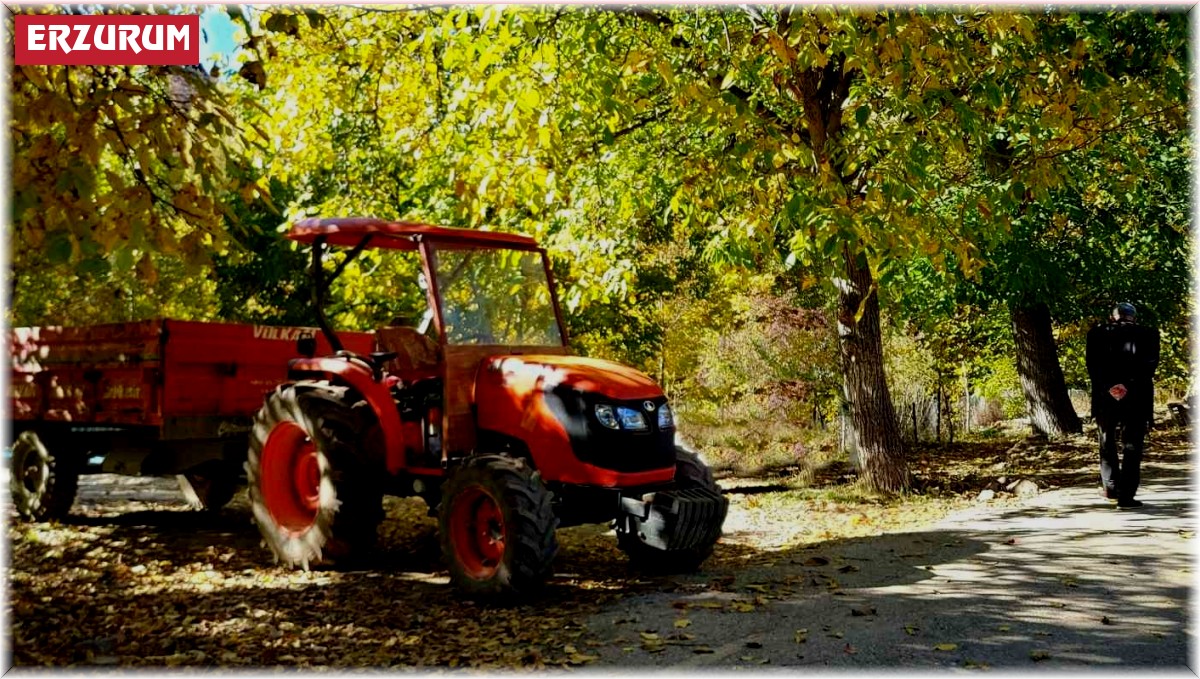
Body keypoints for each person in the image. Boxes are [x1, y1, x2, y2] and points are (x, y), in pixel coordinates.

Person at [1085, 303, 1160, 509]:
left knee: (1106, 441)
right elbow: (1149, 365)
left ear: (1113, 317)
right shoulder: (1149, 334)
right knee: (1132, 446)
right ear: (1134, 317)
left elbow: (1092, 365)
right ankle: (1126, 497)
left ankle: (1110, 487)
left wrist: (1111, 386)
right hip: (1137, 397)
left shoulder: (1096, 334)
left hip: (1105, 398)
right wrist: (1127, 385)